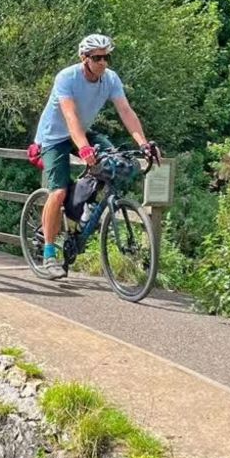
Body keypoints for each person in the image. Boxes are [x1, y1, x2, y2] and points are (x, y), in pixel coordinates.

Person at [32, 34, 160, 280]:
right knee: (57, 192)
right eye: (97, 58)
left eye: (107, 57)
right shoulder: (67, 78)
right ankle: (49, 254)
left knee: (113, 161)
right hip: (54, 136)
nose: (103, 63)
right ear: (84, 58)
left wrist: (143, 143)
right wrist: (84, 148)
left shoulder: (110, 79)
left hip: (83, 130)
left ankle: (81, 207)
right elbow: (69, 117)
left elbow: (125, 110)